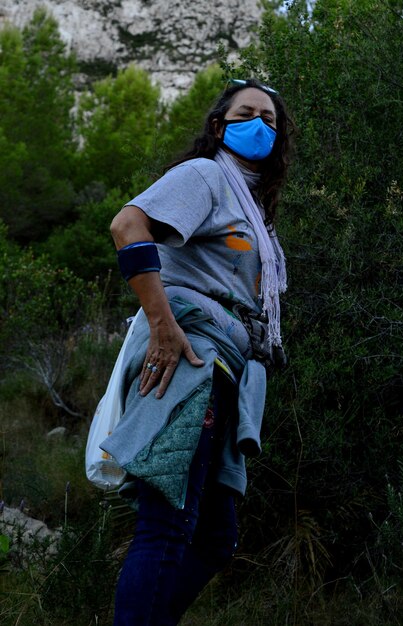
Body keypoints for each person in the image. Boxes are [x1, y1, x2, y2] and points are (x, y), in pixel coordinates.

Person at [104, 77, 293, 625]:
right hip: (189, 362)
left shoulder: (253, 211)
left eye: (270, 119)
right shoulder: (206, 174)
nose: (258, 123)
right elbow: (127, 224)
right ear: (219, 126)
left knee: (214, 539)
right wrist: (162, 325)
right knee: (168, 525)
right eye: (246, 112)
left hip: (227, 372)